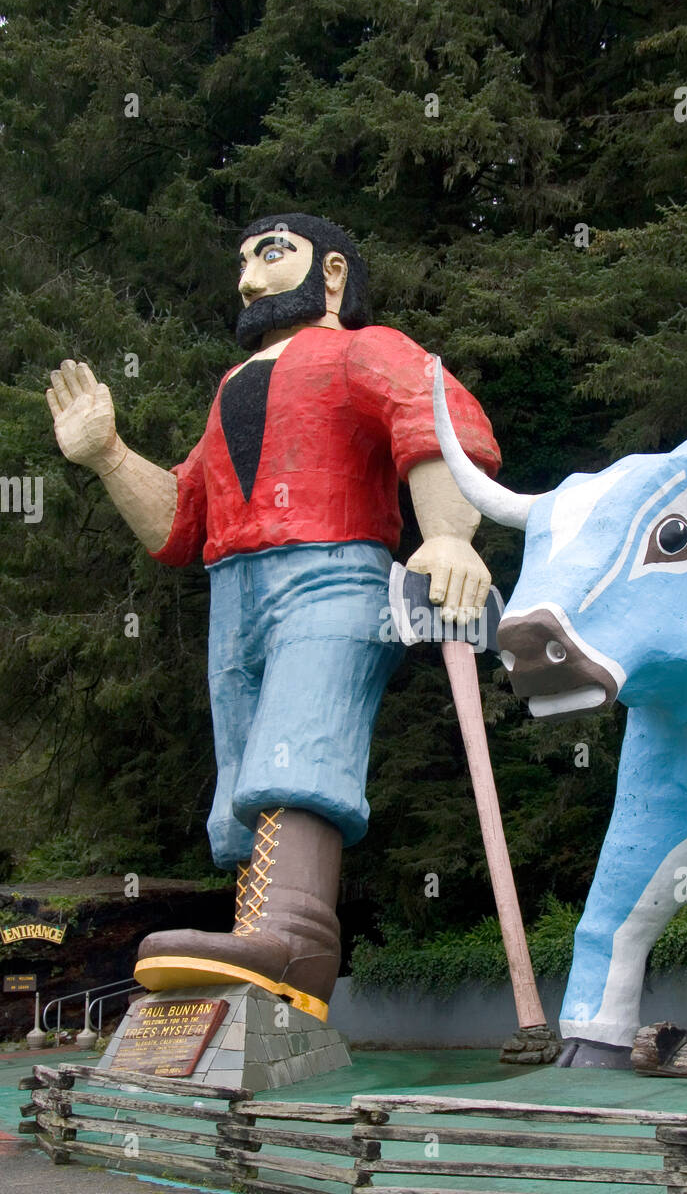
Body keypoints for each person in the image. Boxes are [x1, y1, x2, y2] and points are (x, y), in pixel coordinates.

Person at [46, 213, 501, 1021]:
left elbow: (428, 416)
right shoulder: (231, 390)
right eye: (244, 262)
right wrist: (109, 456)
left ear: (330, 275)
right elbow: (182, 521)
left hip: (332, 574)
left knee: (303, 733)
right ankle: (257, 938)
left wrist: (447, 537)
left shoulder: (366, 348)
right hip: (235, 592)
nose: (249, 279)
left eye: (271, 256)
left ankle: (295, 938)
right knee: (248, 765)